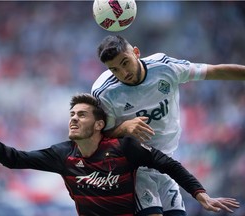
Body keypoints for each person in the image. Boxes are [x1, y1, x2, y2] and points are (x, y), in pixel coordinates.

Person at [0, 93, 239, 216]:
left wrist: (201, 194)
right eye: (72, 115)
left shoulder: (124, 148)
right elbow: (15, 159)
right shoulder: (62, 154)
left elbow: (168, 164)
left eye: (82, 115)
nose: (74, 119)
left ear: (99, 124)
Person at [91, 35, 245, 216]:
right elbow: (96, 141)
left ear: (136, 53)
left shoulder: (165, 67)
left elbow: (214, 71)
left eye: (125, 63)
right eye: (114, 69)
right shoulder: (104, 93)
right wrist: (123, 128)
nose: (123, 73)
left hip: (167, 165)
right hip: (133, 169)